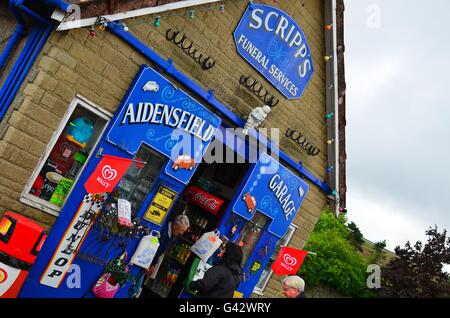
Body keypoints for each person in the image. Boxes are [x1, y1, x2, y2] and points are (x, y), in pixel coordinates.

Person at [128, 214, 190, 298]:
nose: (182, 233)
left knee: (135, 287)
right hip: (142, 261)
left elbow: (159, 250)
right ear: (175, 225)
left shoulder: (172, 234)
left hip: (147, 263)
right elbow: (151, 247)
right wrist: (148, 262)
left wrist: (153, 264)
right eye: (181, 230)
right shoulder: (162, 230)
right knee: (134, 288)